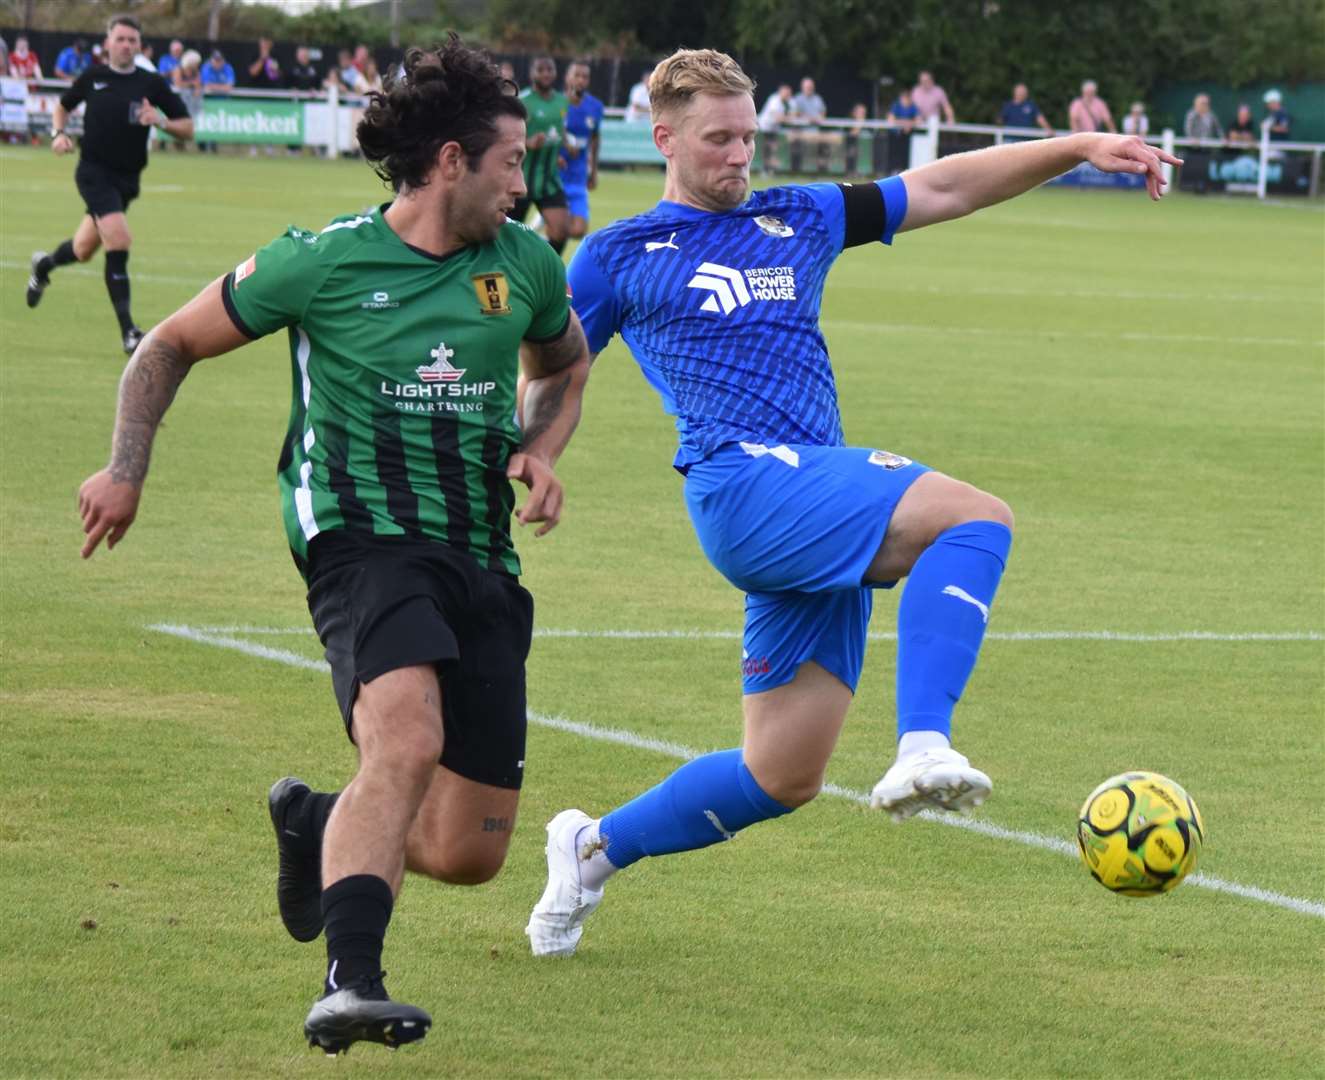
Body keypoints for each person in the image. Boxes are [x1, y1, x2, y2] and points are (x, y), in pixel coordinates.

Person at [523, 46, 1179, 958]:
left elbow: (942, 187)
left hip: (811, 490)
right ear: (663, 136)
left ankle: (590, 850)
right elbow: (554, 363)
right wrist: (531, 451)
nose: (738, 157)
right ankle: (922, 745)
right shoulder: (616, 255)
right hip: (741, 487)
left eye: (749, 137)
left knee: (781, 774)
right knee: (974, 514)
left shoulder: (798, 215)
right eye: (718, 140)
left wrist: (1073, 146)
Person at [76, 35, 591, 1054]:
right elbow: (167, 344)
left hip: (480, 553)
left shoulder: (523, 262)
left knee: (467, 851)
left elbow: (563, 364)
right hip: (360, 542)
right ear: (451, 160)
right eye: (507, 164)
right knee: (403, 741)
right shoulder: (321, 261)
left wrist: (534, 449)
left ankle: (320, 820)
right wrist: (125, 470)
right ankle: (351, 981)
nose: (520, 185)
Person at [25, 14, 193, 355]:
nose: (126, 45)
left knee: (83, 249)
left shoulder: (151, 83)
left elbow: (187, 128)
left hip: (127, 180)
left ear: (139, 45)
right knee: (119, 238)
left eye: (132, 40)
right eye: (120, 39)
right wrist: (59, 134)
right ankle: (130, 332)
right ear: (108, 43)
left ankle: (43, 266)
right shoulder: (93, 76)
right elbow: (62, 106)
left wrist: (159, 121)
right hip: (93, 172)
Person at [512, 57, 570, 253]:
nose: (546, 74)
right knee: (505, 235)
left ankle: (546, 272)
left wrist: (560, 153)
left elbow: (559, 131)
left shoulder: (562, 102)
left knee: (561, 230)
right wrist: (528, 143)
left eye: (549, 69)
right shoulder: (523, 101)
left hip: (549, 179)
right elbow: (508, 138)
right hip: (521, 179)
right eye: (541, 70)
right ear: (532, 73)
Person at [559, 59, 603, 241]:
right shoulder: (557, 103)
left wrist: (593, 172)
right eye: (576, 75)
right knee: (558, 228)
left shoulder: (595, 107)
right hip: (554, 176)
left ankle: (543, 231)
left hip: (578, 176)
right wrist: (555, 155)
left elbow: (595, 139)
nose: (581, 80)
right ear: (567, 77)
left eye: (585, 76)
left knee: (578, 230)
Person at [788, 76, 830, 174]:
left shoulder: (818, 99)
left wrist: (819, 119)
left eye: (810, 87)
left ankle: (820, 169)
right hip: (801, 132)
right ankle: (797, 170)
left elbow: (823, 113)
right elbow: (795, 114)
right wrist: (809, 118)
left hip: (816, 133)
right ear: (802, 87)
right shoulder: (797, 99)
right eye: (807, 87)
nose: (809, 89)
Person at [757, 83, 792, 175]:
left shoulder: (786, 103)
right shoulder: (774, 100)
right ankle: (765, 170)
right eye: (786, 93)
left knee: (773, 149)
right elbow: (778, 117)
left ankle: (770, 170)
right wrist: (788, 118)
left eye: (788, 93)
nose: (787, 95)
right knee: (768, 150)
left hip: (774, 129)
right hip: (764, 128)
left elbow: (790, 114)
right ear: (781, 92)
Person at [884, 87, 920, 174]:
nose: (905, 100)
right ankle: (893, 170)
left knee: (905, 154)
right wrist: (906, 123)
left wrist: (909, 124)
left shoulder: (913, 107)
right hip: (894, 135)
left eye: (907, 98)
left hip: (906, 135)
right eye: (904, 98)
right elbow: (890, 119)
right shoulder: (896, 105)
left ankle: (903, 170)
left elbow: (918, 120)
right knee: (893, 153)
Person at [843, 102, 870, 178]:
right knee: (852, 151)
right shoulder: (849, 121)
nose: (862, 114)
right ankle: (850, 172)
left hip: (864, 148)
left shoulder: (867, 123)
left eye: (864, 113)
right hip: (850, 145)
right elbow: (853, 134)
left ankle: (861, 172)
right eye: (860, 112)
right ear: (854, 113)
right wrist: (860, 123)